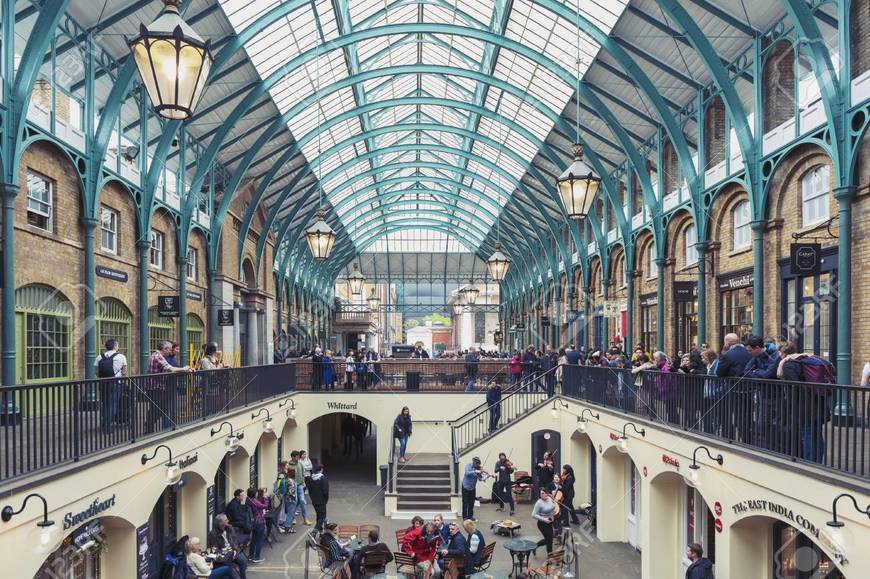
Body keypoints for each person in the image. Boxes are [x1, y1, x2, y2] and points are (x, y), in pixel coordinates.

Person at [146, 340, 193, 432]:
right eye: (170, 349)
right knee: (157, 408)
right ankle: (148, 426)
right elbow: (170, 368)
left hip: (157, 386)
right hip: (155, 387)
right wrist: (184, 369)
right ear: (165, 349)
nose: (171, 351)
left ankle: (149, 427)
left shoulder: (159, 355)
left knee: (158, 408)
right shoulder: (158, 356)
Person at [94, 338, 127, 434]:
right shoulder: (121, 357)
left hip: (103, 383)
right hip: (116, 383)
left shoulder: (99, 357)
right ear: (115, 346)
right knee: (113, 405)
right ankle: (108, 426)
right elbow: (124, 372)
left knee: (105, 403)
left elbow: (96, 371)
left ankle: (104, 423)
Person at [207, 514, 248, 579]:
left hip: (233, 551)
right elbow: (214, 549)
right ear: (220, 523)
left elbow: (235, 541)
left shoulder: (229, 528)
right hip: (224, 554)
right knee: (228, 566)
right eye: (226, 520)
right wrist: (226, 552)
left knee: (242, 561)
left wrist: (234, 550)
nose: (228, 521)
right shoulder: (213, 534)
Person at [245, 488, 271, 563]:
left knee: (253, 539)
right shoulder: (254, 502)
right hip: (259, 522)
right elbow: (265, 506)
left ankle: (250, 556)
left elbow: (259, 504)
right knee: (259, 540)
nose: (257, 494)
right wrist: (265, 498)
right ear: (254, 494)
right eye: (256, 493)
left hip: (253, 522)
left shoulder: (248, 500)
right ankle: (256, 557)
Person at [286, 451, 312, 526]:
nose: (298, 458)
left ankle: (305, 518)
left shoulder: (300, 464)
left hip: (300, 485)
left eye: (298, 456)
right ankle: (293, 518)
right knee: (294, 502)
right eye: (297, 457)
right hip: (293, 486)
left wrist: (303, 482)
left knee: (303, 501)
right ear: (293, 457)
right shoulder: (289, 465)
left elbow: (303, 474)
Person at [532, 488, 556, 554]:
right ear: (540, 495)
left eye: (545, 492)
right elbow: (533, 515)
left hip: (550, 522)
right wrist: (544, 519)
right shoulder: (539, 503)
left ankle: (535, 546)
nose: (544, 494)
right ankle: (550, 557)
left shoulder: (550, 498)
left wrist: (554, 512)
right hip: (542, 524)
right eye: (542, 493)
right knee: (549, 541)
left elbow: (553, 506)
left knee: (548, 540)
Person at [462, 457, 486, 521]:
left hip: (472, 488)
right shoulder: (468, 466)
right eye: (476, 463)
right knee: (465, 503)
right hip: (465, 487)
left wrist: (486, 477)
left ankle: (470, 516)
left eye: (478, 464)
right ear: (474, 462)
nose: (477, 465)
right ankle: (464, 517)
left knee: (471, 503)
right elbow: (467, 473)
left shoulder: (478, 469)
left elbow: (481, 479)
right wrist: (475, 471)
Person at [307, 463, 329, 531]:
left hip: (314, 500)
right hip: (321, 501)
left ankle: (320, 529)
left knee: (318, 515)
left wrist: (312, 498)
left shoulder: (311, 478)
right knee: (322, 517)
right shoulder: (323, 479)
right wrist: (326, 500)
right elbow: (325, 491)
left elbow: (309, 490)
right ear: (321, 470)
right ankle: (315, 530)